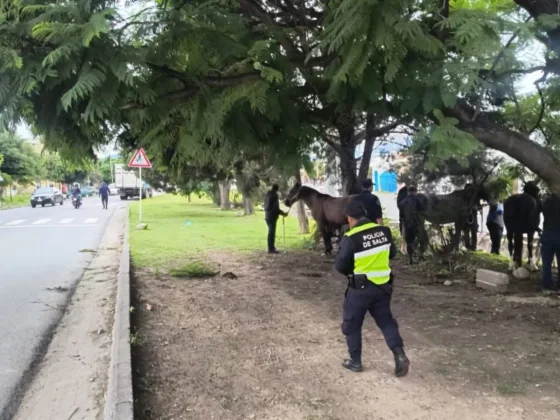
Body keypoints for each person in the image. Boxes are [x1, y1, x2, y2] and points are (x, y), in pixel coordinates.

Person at [335, 200, 410, 376]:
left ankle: (355, 361)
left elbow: (340, 265)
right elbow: (391, 254)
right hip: (383, 287)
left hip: (359, 289)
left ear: (350, 218)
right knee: (386, 321)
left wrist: (352, 272)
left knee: (352, 323)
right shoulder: (384, 231)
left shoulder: (351, 238)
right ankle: (400, 356)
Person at [540, 193, 560, 291]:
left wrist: (537, 229)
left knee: (546, 263)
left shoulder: (545, 201)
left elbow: (534, 214)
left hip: (547, 234)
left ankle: (546, 285)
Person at [264, 184, 287, 254]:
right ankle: (270, 249)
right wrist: (283, 213)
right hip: (272, 216)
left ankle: (272, 247)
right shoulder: (274, 196)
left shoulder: (267, 194)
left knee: (271, 232)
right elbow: (275, 208)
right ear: (277, 189)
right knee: (271, 232)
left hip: (267, 215)